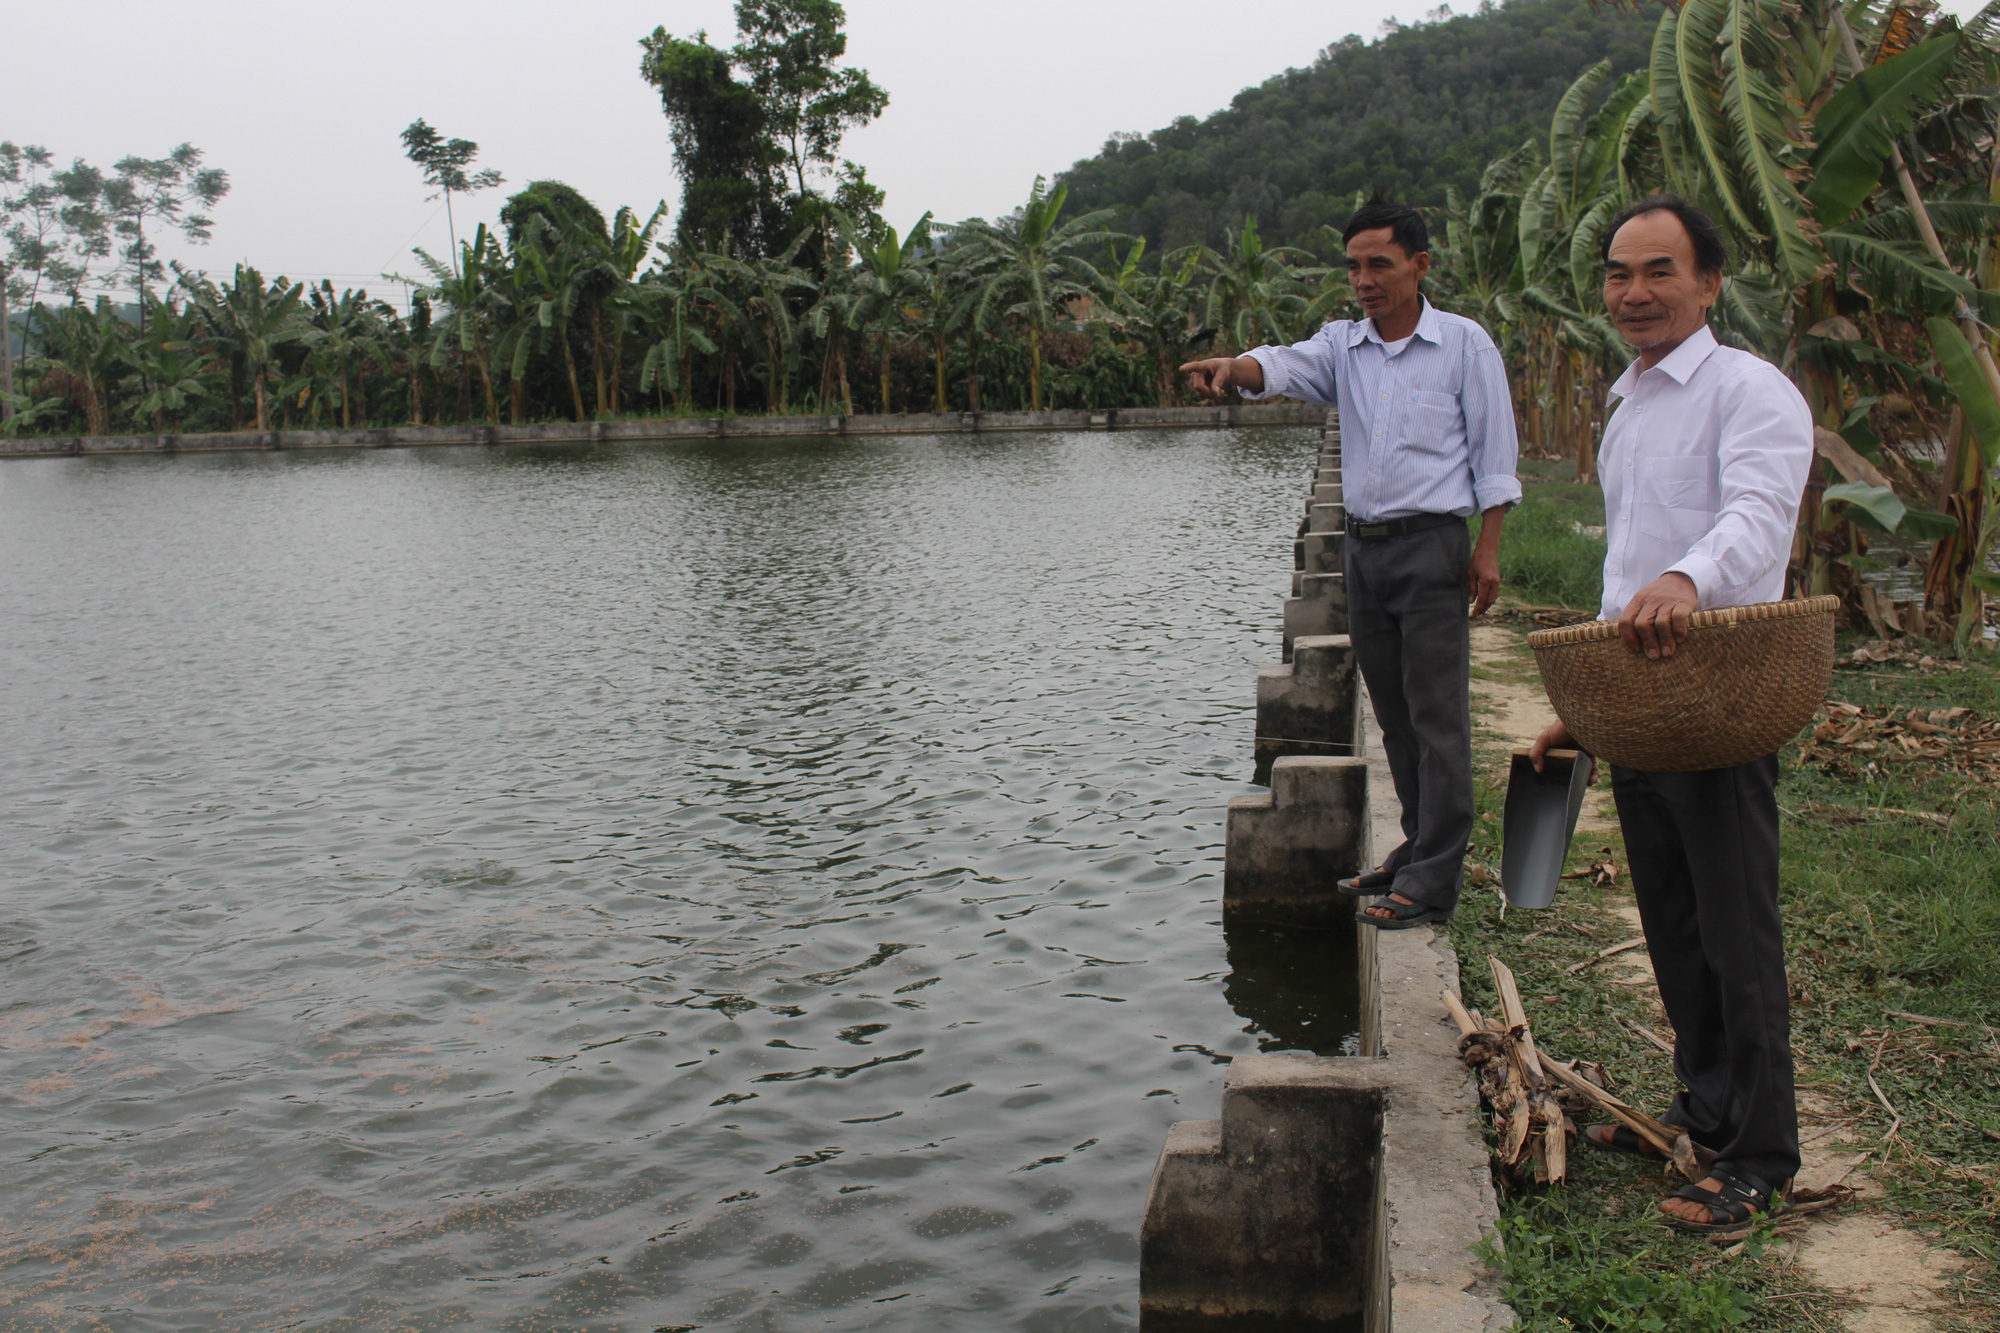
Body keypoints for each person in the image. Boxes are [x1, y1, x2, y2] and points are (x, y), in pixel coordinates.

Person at [1530, 195, 1813, 1233]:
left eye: (1657, 272)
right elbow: (1620, 574)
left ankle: (1759, 1155)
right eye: (1616, 274)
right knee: (1671, 919)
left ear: (1707, 283)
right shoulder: (1629, 401)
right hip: (1641, 697)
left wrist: (1688, 580)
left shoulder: (1747, 391)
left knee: (1736, 930)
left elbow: (1753, 514)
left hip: (1720, 696)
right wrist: (1585, 711)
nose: (1632, 293)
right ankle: (1700, 1109)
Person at [1183, 201, 1520, 929]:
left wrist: (1488, 547)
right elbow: (1277, 364)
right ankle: (1417, 847)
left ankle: (1434, 881)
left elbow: (1496, 457)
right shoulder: (1344, 348)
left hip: (1433, 546)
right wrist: (1230, 368)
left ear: (1420, 267)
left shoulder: (1465, 346)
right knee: (1396, 717)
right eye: (1354, 266)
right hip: (1364, 552)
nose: (1364, 280)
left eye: (1379, 264)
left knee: (1439, 718)